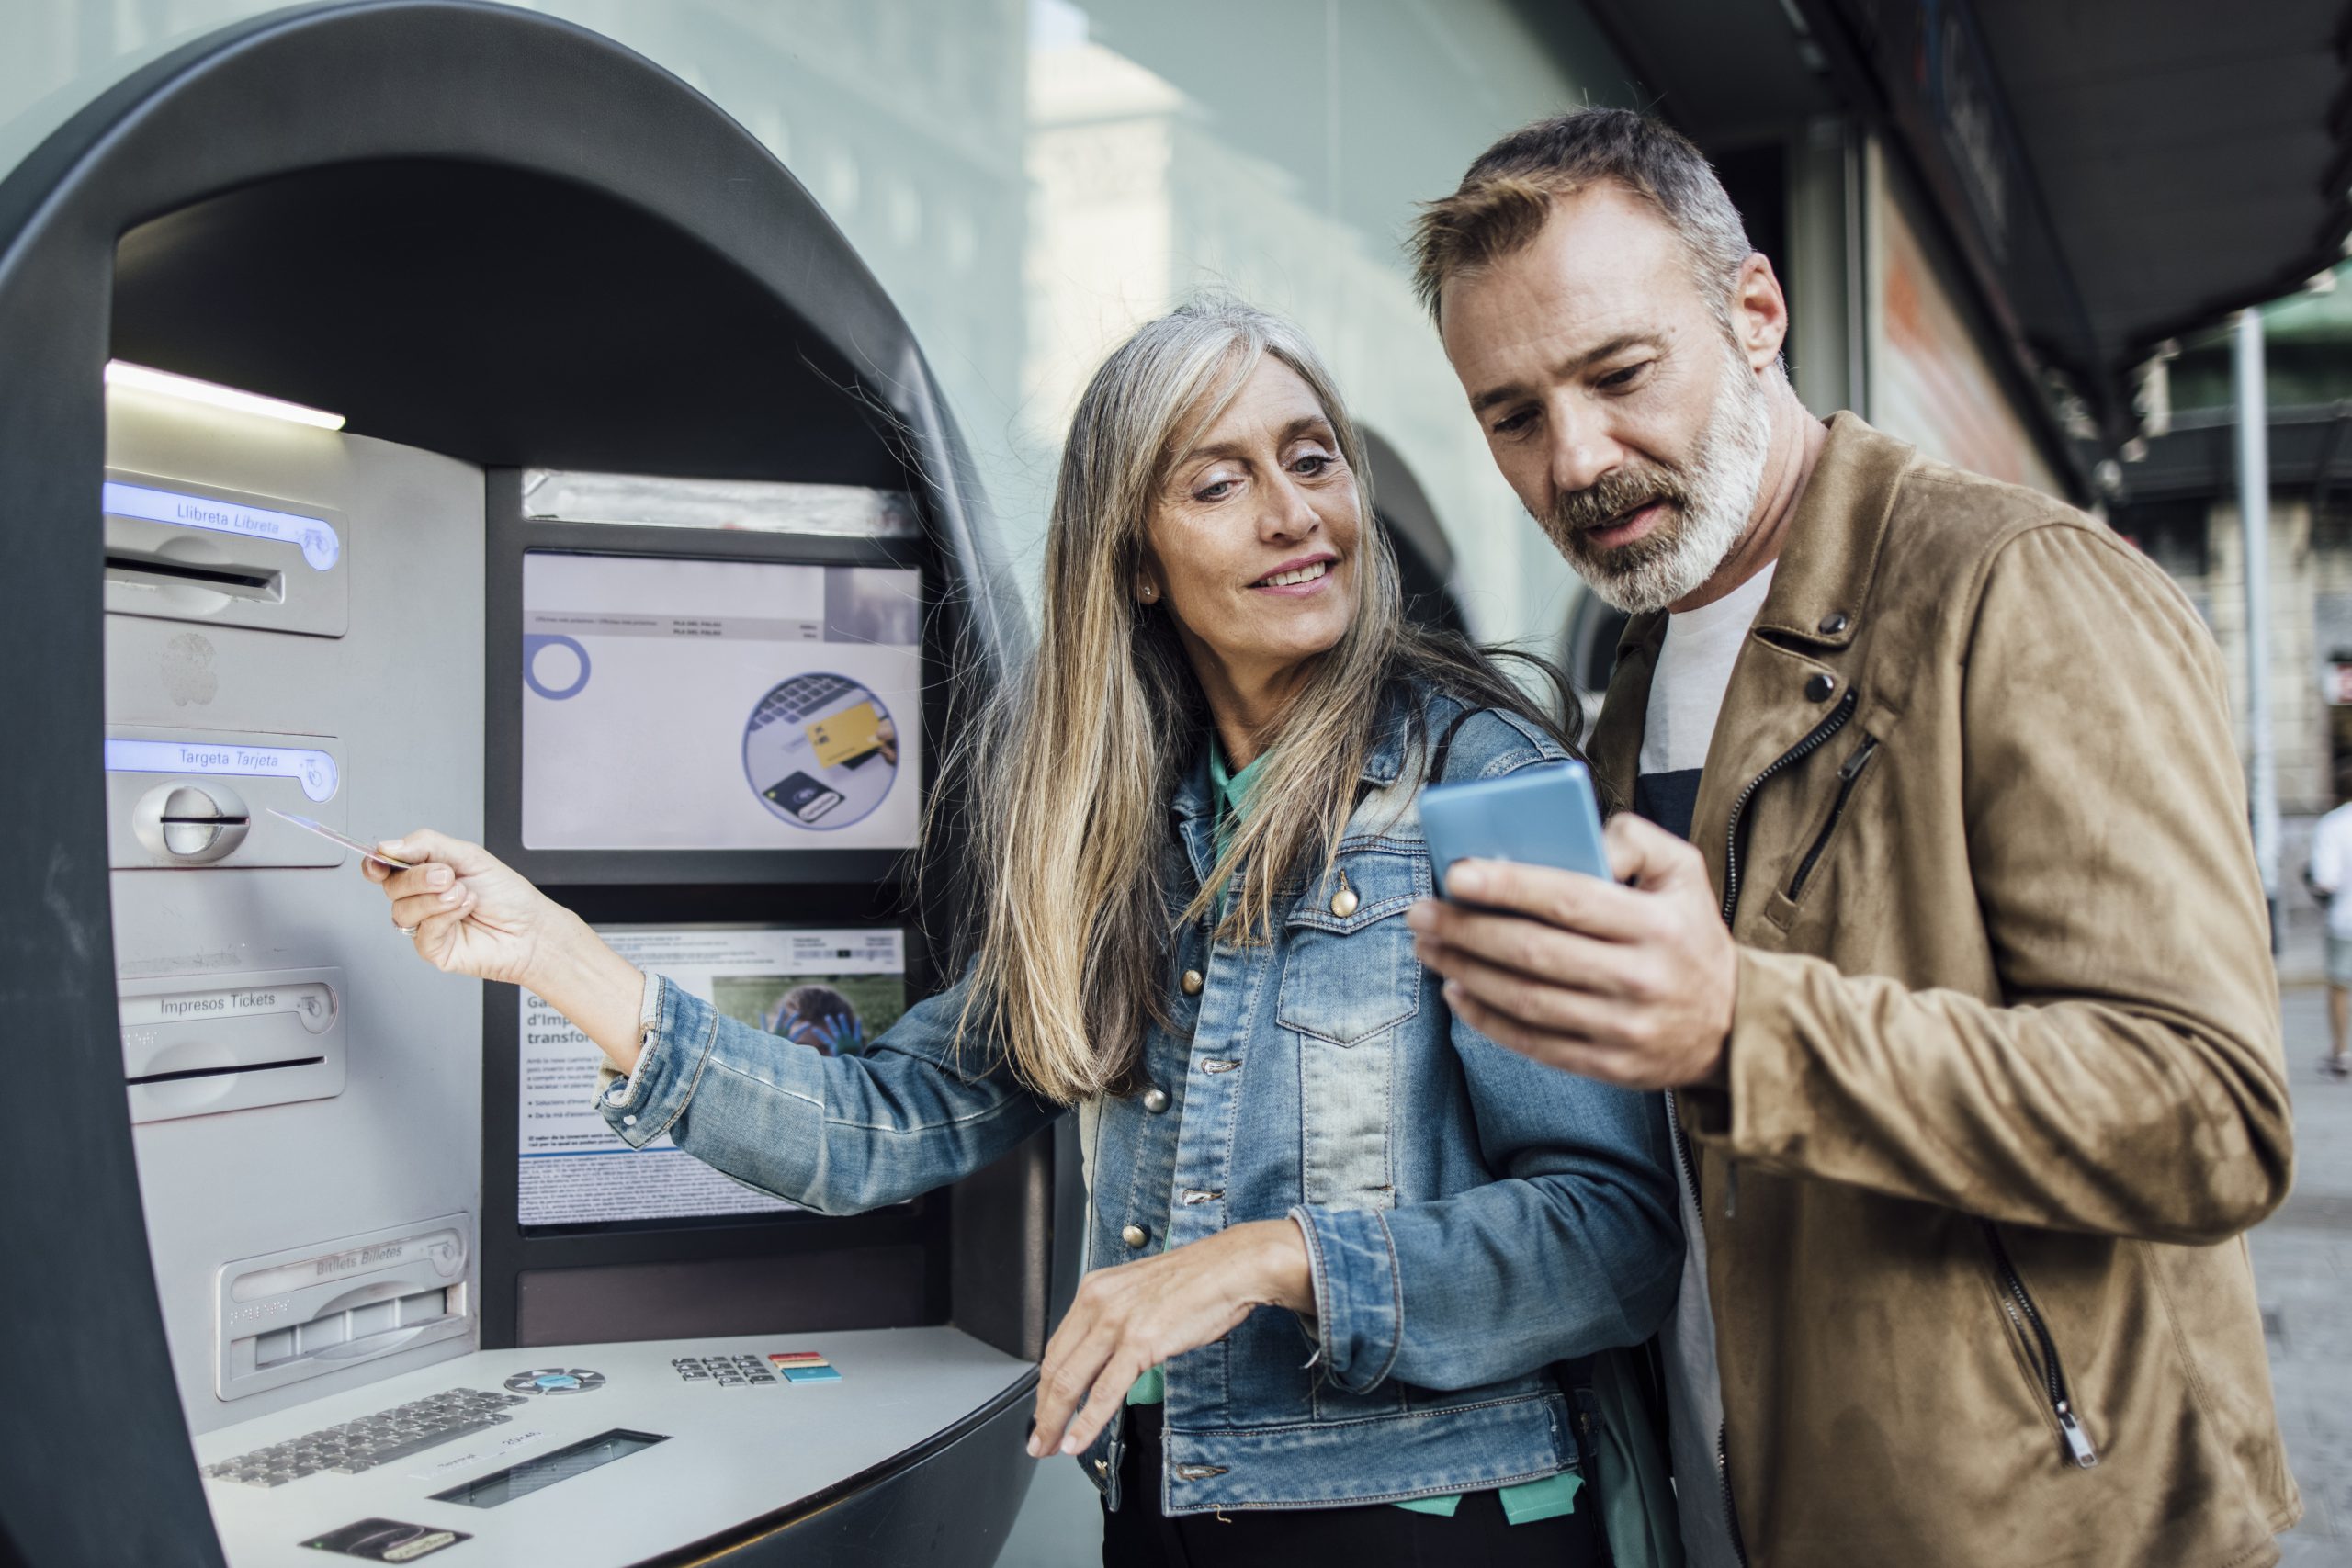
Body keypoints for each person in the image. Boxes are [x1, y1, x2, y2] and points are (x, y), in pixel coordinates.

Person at [366, 298, 1681, 1566]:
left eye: (1310, 458)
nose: (1294, 514)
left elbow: (1613, 1239)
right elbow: (876, 1123)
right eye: (1217, 484)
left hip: (1426, 1519)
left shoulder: (1487, 780)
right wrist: (550, 951)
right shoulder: (1125, 837)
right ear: (1137, 562)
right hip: (1165, 1505)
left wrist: (1267, 1258)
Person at [1403, 108, 2298, 1566]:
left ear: (1756, 312)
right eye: (1512, 414)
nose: (1577, 457)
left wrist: (1742, 1020)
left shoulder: (2015, 588)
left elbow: (2210, 1112)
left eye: (1620, 373)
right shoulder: (1631, 688)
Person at [2306, 761, 2352, 1077]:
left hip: (2345, 918)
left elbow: (2326, 880)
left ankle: (2342, 1051)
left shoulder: (2333, 825)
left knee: (2339, 984)